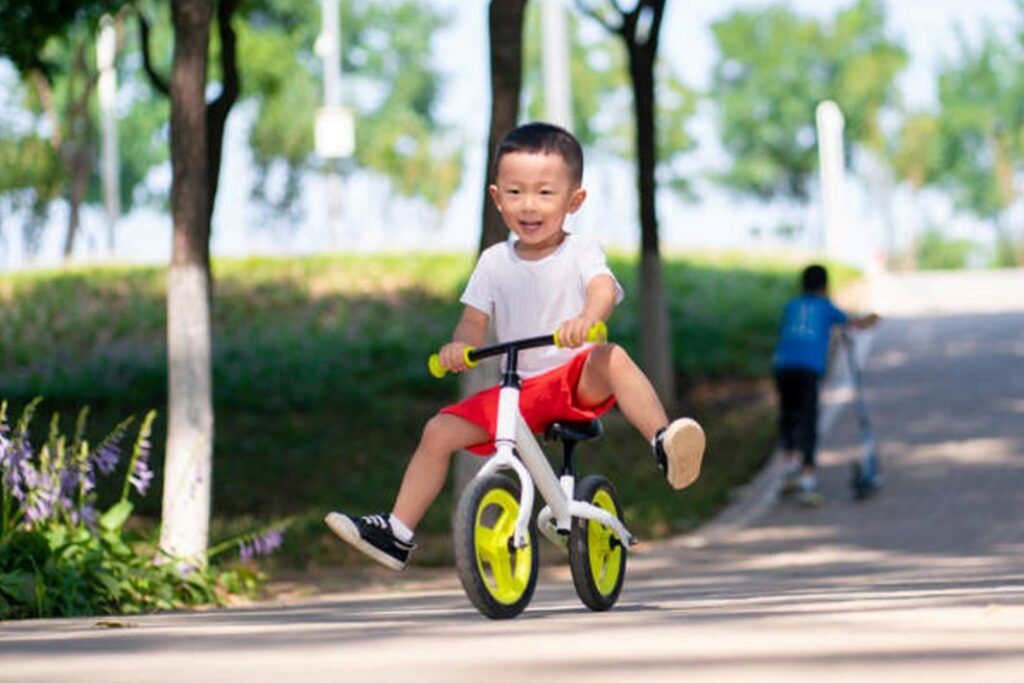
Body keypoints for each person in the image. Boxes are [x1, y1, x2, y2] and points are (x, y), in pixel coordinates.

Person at [325, 122, 706, 570]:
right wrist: (458, 347)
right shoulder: (493, 261)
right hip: (518, 391)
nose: (529, 205)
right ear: (497, 198)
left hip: (572, 378)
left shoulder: (581, 250)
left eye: (545, 193)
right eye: (516, 192)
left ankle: (664, 443)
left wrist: (587, 319)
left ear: (574, 200)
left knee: (611, 356)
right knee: (437, 432)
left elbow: (601, 289)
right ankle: (398, 533)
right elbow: (472, 321)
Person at [772, 263, 879, 506]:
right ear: (825, 286)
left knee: (788, 415)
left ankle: (790, 465)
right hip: (808, 368)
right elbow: (855, 323)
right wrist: (873, 319)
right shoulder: (825, 306)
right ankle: (808, 479)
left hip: (783, 365)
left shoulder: (791, 305)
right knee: (808, 419)